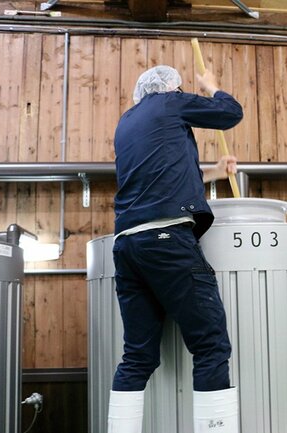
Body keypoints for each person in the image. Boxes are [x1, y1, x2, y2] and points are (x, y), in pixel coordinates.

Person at [108, 65, 243, 433]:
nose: (181, 91)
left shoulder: (127, 123)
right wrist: (212, 87)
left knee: (137, 356)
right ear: (169, 87)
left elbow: (163, 175)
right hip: (168, 240)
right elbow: (230, 114)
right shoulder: (169, 102)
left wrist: (213, 172)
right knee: (211, 346)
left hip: (127, 245)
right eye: (179, 88)